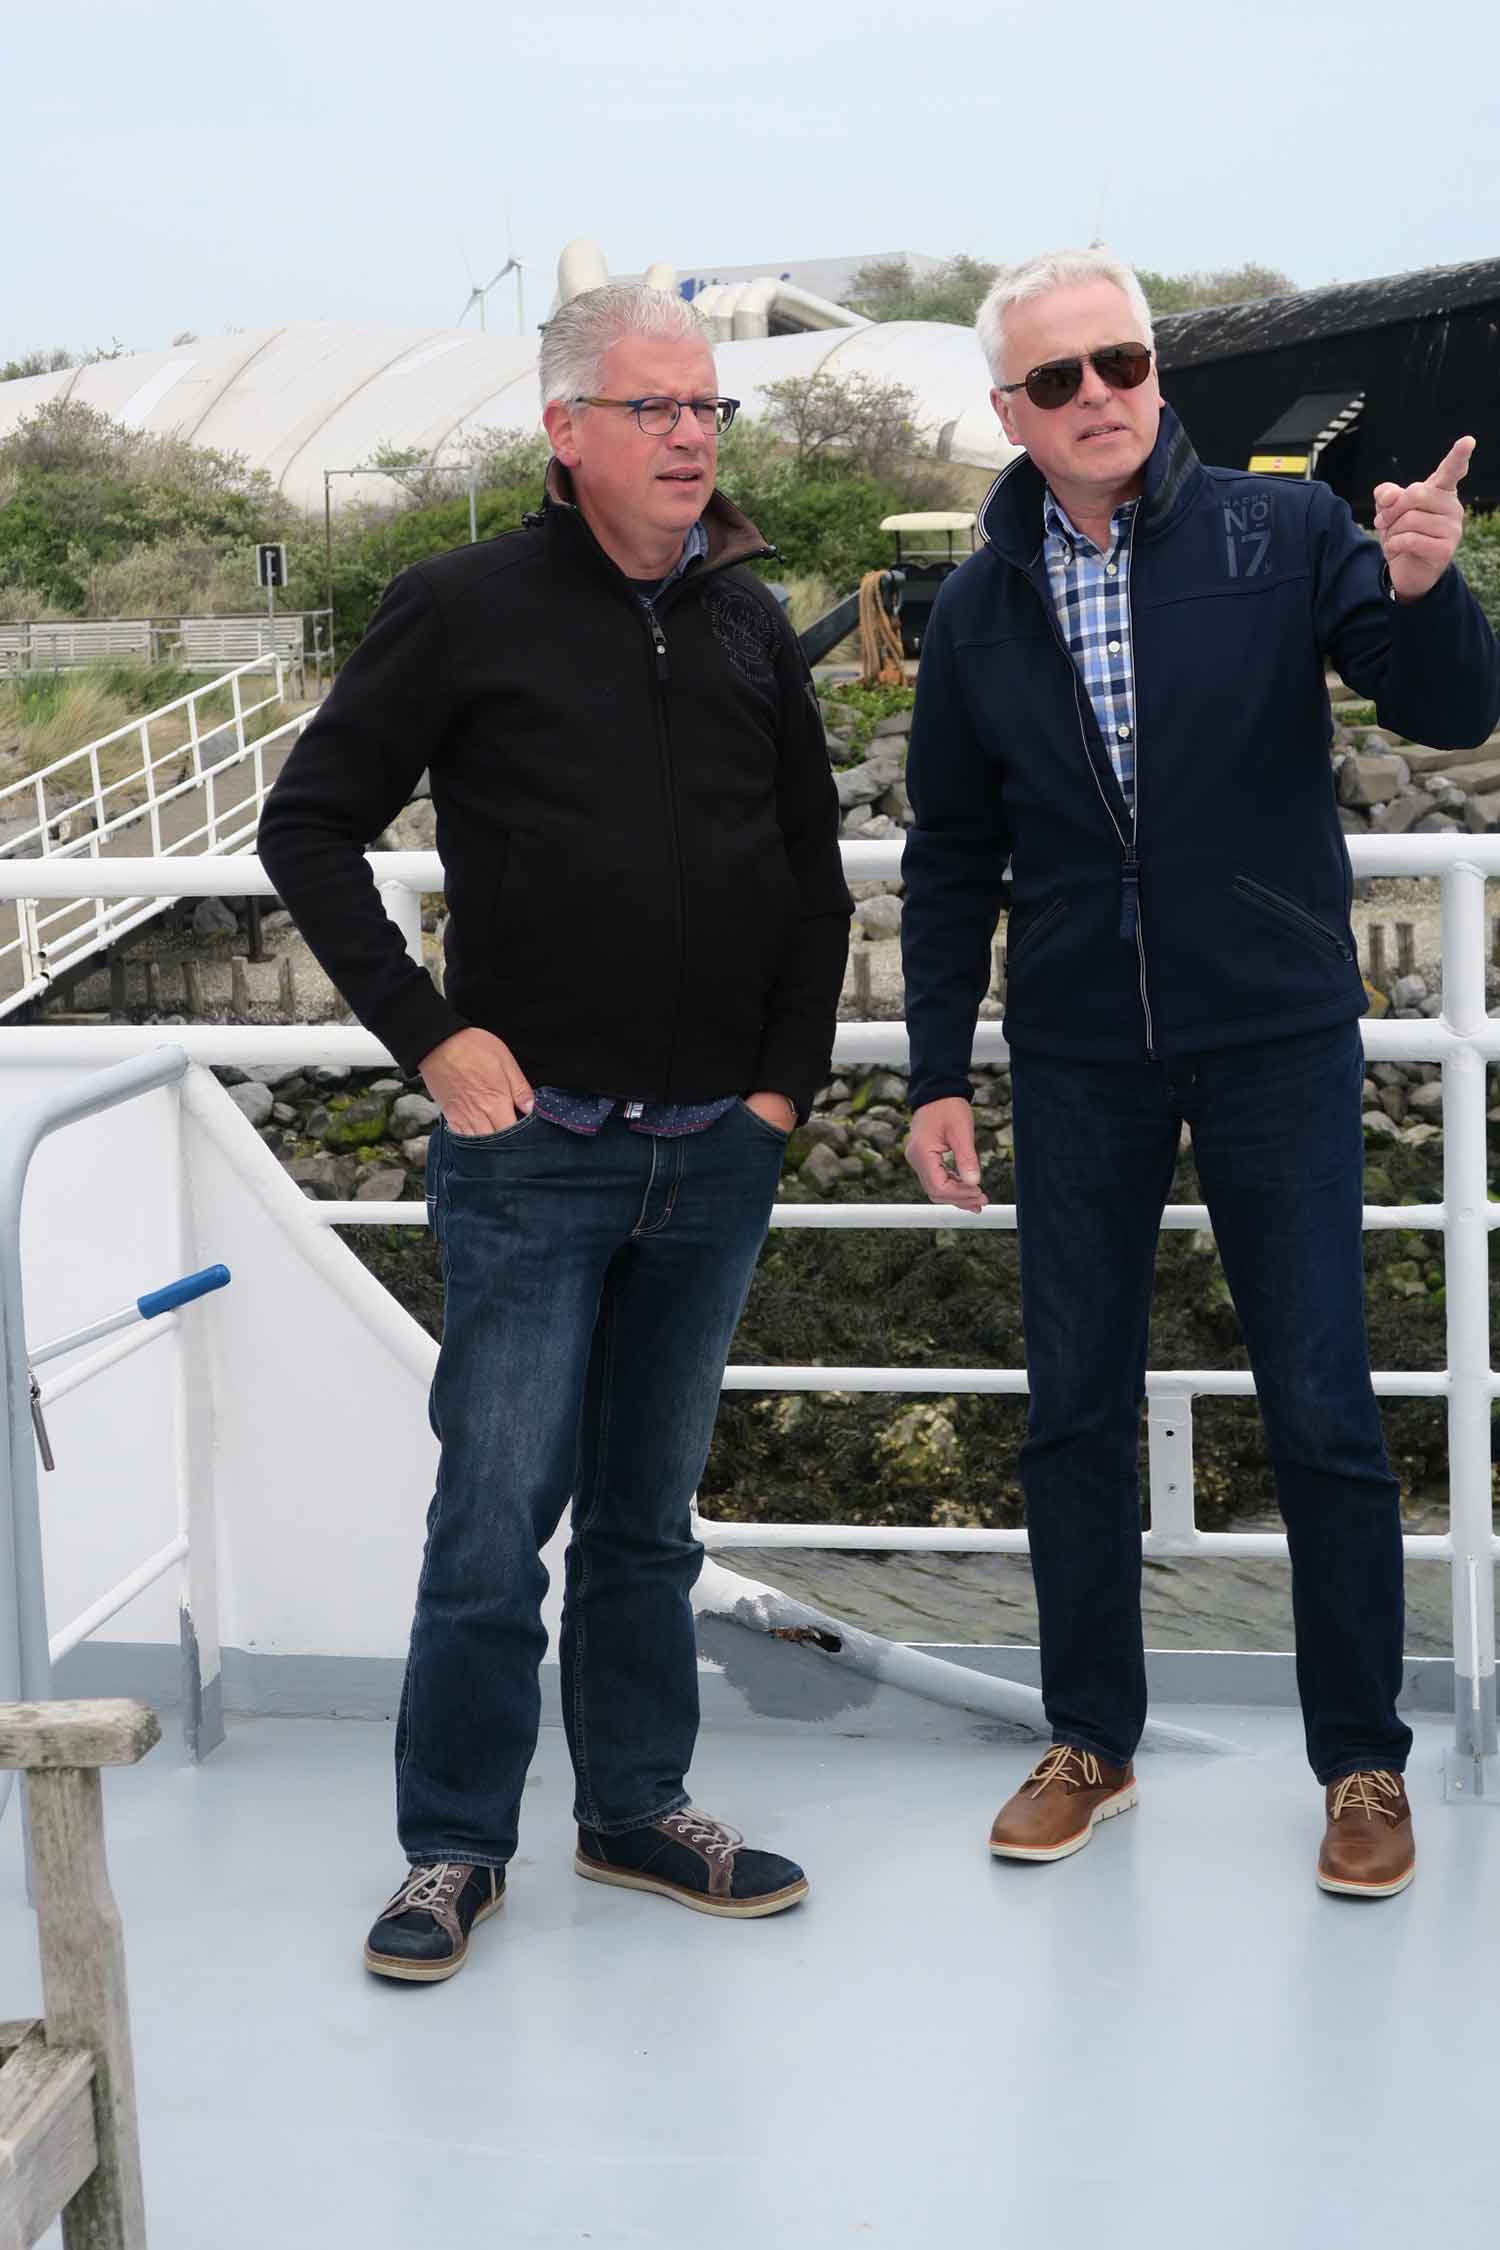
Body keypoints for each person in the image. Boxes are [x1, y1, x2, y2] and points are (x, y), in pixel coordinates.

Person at [257, 283, 851, 1979]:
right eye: (655, 408)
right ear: (565, 429)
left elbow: (812, 875)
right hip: (534, 1153)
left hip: (712, 1151)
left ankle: (636, 1806)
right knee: (492, 1521)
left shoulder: (748, 619)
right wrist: (432, 1035)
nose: (690, 436)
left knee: (651, 1519)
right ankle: (453, 1843)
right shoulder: (460, 607)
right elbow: (309, 827)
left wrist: (779, 1092)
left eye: (708, 408)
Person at [900, 247, 1500, 1898]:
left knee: (1321, 1406)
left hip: (1275, 1034)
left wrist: (1430, 584)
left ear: (1154, 371)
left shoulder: (1283, 529)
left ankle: (1362, 1761)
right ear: (1010, 412)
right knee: (1073, 1411)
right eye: (1058, 379)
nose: (1099, 396)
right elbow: (948, 856)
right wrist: (937, 1069)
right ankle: (1089, 1740)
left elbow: (1450, 707)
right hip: (1080, 1053)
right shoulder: (979, 601)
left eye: (1122, 361)